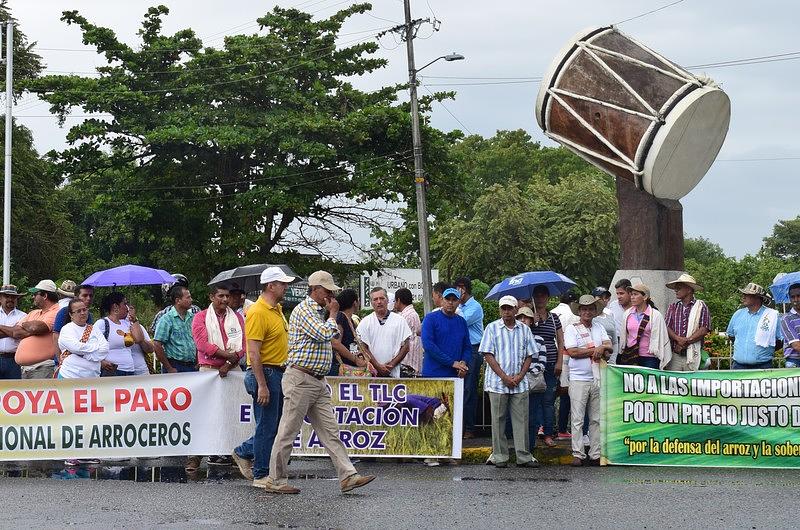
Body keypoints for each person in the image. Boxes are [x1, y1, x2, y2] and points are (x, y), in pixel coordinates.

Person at [263, 270, 375, 494]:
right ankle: (275, 480)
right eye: (327, 291)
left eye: (332, 292)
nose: (331, 295)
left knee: (330, 431)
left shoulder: (316, 311)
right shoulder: (305, 310)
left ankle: (348, 475)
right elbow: (324, 334)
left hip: (316, 380)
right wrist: (333, 314)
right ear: (315, 290)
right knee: (288, 431)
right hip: (301, 378)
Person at [232, 267, 295, 486]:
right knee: (268, 427)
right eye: (282, 284)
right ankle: (260, 474)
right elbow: (253, 352)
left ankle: (244, 452)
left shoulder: (276, 309)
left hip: (276, 372)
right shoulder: (258, 312)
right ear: (271, 286)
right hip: (265, 373)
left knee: (274, 426)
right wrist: (262, 385)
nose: (286, 287)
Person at [480, 295, 539, 468]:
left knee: (521, 420)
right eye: (503, 308)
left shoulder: (524, 329)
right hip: (498, 383)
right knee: (498, 420)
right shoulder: (492, 328)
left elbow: (530, 354)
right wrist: (504, 377)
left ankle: (523, 456)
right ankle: (500, 456)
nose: (506, 311)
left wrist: (520, 375)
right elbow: (487, 355)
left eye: (509, 308)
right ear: (500, 310)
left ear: (516, 310)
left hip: (519, 382)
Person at [420, 287, 471, 466]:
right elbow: (429, 345)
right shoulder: (431, 319)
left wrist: (464, 363)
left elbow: (467, 346)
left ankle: (446, 451)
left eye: (454, 299)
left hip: (454, 377)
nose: (450, 302)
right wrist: (452, 363)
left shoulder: (461, 322)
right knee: (432, 415)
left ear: (458, 302)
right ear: (441, 300)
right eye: (447, 299)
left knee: (451, 416)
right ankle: (430, 453)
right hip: (434, 375)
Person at [563, 295, 612, 466]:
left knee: (596, 418)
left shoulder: (599, 327)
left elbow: (609, 347)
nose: (587, 312)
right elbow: (573, 352)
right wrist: (596, 350)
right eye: (584, 309)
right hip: (578, 379)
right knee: (577, 418)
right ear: (579, 311)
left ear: (595, 311)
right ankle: (578, 453)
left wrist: (601, 348)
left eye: (591, 309)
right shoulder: (572, 329)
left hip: (597, 377)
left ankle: (595, 453)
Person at [529, 285, 564, 448]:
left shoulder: (554, 317)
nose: (540, 298)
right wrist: (531, 322)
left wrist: (559, 361)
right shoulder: (528, 316)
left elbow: (561, 341)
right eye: (537, 295)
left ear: (548, 298)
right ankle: (534, 432)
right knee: (534, 400)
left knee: (548, 400)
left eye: (543, 295)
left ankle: (549, 433)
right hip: (533, 365)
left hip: (550, 362)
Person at [3, 280, 60, 379]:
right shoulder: (34, 313)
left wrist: (28, 326)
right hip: (26, 369)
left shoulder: (57, 311)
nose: (33, 297)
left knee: (42, 394)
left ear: (45, 296)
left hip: (43, 367)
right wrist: (31, 329)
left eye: (35, 294)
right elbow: (16, 332)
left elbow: (36, 327)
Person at [357, 287, 411, 378]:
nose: (379, 302)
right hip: (371, 374)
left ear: (387, 300)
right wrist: (377, 366)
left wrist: (391, 365)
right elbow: (363, 347)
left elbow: (406, 347)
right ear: (371, 303)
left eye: (382, 298)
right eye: (375, 299)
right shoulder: (365, 322)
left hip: (394, 373)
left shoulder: (400, 320)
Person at [726, 282, 783, 370]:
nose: (743, 297)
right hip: (738, 366)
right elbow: (731, 336)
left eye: (747, 294)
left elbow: (779, 340)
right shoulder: (738, 314)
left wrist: (765, 351)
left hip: (763, 366)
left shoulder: (771, 315)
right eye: (743, 294)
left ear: (757, 297)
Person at [454, 277, 484, 439]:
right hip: (459, 350)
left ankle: (469, 427)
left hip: (473, 349)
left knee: (469, 389)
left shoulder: (474, 306)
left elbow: (461, 322)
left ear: (463, 289)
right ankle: (461, 425)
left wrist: (456, 304)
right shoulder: (461, 306)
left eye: (457, 290)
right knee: (460, 388)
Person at [192, 285, 245, 375]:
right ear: (212, 297)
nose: (225, 299)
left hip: (233, 367)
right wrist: (227, 355)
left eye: (227, 296)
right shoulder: (201, 317)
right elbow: (202, 344)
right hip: (209, 368)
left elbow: (243, 343)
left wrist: (228, 363)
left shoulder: (237, 317)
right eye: (221, 296)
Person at [664, 274, 711, 371]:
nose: (676, 290)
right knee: (674, 383)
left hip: (693, 353)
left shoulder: (700, 306)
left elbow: (704, 329)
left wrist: (685, 341)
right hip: (675, 354)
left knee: (692, 384)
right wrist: (677, 338)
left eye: (679, 288)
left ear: (689, 289)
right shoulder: (673, 307)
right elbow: (667, 327)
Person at [95, 292, 149, 377]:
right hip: (113, 370)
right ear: (115, 306)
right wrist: (101, 362)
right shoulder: (102, 323)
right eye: (125, 304)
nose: (127, 308)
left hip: (130, 370)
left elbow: (139, 339)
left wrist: (134, 320)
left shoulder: (126, 324)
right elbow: (91, 345)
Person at [618, 284, 672, 369]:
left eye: (635, 294)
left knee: (650, 381)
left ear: (645, 297)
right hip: (630, 355)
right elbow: (624, 335)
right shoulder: (627, 314)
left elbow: (662, 337)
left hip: (649, 357)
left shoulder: (655, 315)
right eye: (631, 294)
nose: (632, 297)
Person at [56, 298, 109, 379]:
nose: (83, 313)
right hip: (69, 376)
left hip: (93, 377)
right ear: (71, 315)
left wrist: (83, 354)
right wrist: (96, 347)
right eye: (78, 311)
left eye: (84, 310)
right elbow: (76, 347)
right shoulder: (66, 329)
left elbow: (105, 349)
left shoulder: (95, 329)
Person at [154, 285, 198, 374]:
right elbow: (157, 344)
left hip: (192, 365)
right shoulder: (167, 319)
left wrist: (197, 361)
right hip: (175, 365)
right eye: (188, 297)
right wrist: (169, 368)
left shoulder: (193, 318)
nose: (191, 300)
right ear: (178, 301)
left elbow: (197, 341)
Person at [330, 288, 368, 376]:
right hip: (340, 368)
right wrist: (356, 360)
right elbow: (335, 343)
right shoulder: (341, 317)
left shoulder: (350, 320)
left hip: (349, 367)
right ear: (355, 303)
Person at [393, 288, 423, 377]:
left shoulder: (406, 316)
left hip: (408, 363)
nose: (394, 304)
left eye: (395, 301)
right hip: (413, 362)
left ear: (398, 300)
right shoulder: (412, 314)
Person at [0, 285, 26, 379]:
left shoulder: (24, 316)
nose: (10, 299)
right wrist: (13, 331)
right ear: (0, 298)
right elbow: (16, 333)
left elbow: (20, 334)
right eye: (7, 296)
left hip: (14, 360)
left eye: (13, 297)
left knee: (13, 391)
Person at [592, 286, 618, 362]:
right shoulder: (589, 316)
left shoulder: (610, 316)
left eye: (606, 297)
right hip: (594, 357)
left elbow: (615, 342)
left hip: (609, 358)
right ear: (593, 298)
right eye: (600, 297)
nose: (603, 300)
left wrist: (613, 360)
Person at [782, 283, 800, 368]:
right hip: (794, 361)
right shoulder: (786, 318)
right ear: (789, 299)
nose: (796, 299)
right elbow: (796, 345)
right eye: (793, 297)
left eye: (799, 296)